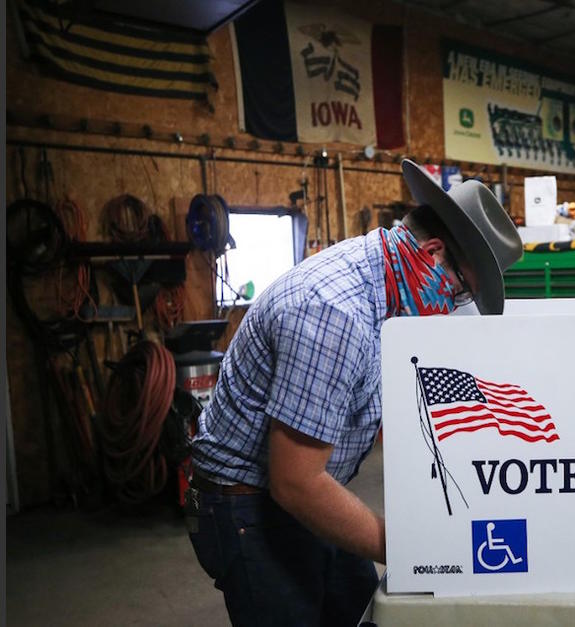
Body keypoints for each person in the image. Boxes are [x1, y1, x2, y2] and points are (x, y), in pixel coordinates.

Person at [185, 159, 523, 627]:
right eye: (462, 291)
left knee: (366, 612)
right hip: (249, 507)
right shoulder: (334, 312)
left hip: (305, 492)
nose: (455, 307)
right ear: (432, 253)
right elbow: (295, 482)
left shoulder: (384, 281)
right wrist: (413, 552)